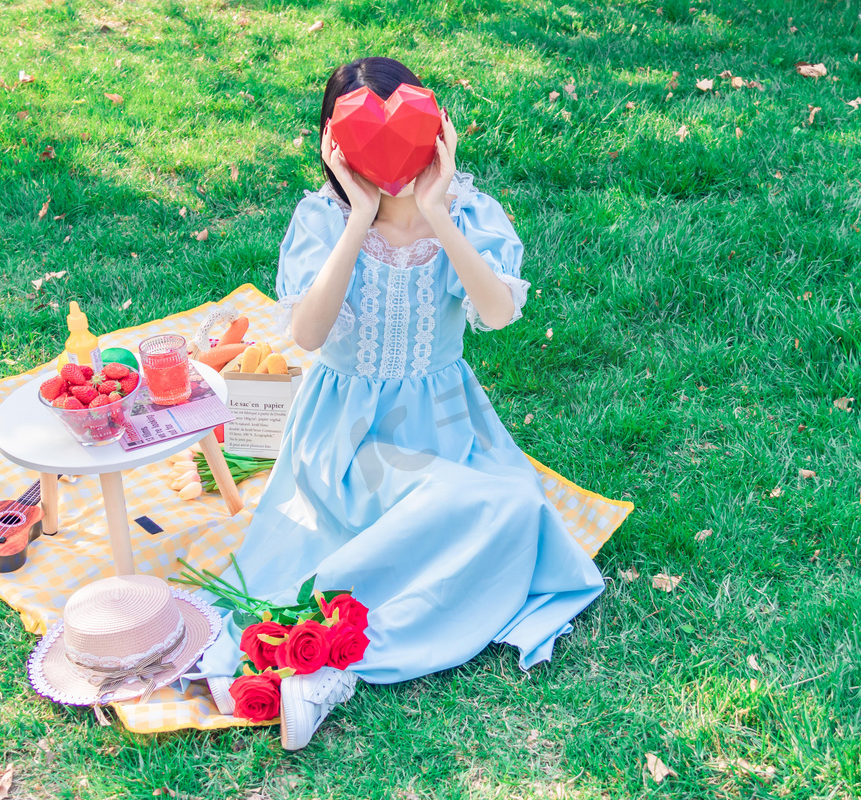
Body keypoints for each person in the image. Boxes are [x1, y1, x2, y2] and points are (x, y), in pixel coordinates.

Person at [186, 57, 608, 750]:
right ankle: (327, 660)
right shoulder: (323, 219)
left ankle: (334, 656)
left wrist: (437, 214)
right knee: (477, 518)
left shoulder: (467, 210)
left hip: (447, 421)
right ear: (335, 145)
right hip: (349, 435)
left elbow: (498, 314)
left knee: (512, 510)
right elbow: (311, 334)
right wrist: (359, 220)